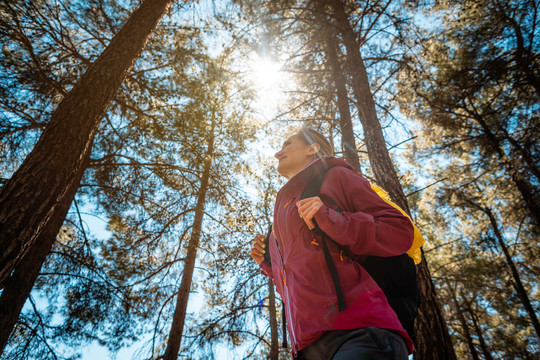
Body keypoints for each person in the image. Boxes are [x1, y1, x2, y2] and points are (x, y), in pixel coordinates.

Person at [250, 128, 414, 359]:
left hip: (360, 332)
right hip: (307, 348)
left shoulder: (335, 176)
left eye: (287, 144)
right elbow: (297, 281)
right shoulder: (280, 218)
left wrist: (330, 218)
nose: (278, 153)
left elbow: (398, 231)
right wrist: (268, 265)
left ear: (312, 148)